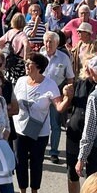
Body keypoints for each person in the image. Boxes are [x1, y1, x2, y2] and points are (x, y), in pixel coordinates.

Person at [12, 52, 61, 193]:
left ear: (39, 68)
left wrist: (67, 97)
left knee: (36, 163)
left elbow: (58, 106)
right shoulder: (20, 81)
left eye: (29, 64)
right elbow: (13, 102)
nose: (26, 66)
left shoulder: (50, 84)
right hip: (20, 129)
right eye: (26, 63)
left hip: (39, 131)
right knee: (20, 162)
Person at [55, 53, 97, 193]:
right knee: (72, 172)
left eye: (92, 66)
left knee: (94, 175)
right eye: (86, 66)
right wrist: (68, 96)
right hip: (74, 135)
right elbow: (62, 108)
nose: (88, 69)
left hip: (95, 137)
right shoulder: (77, 84)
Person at [40, 32, 74, 164]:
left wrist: (69, 94)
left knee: (55, 124)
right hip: (41, 93)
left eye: (51, 42)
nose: (48, 44)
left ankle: (54, 151)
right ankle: (39, 150)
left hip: (57, 94)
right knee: (40, 123)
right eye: (46, 41)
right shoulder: (39, 56)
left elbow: (70, 77)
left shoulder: (63, 58)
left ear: (56, 43)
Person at [0, 13, 29, 85]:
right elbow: (26, 44)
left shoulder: (9, 32)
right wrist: (25, 58)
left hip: (9, 59)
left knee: (8, 80)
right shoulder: (22, 35)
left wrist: (4, 50)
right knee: (19, 82)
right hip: (19, 61)